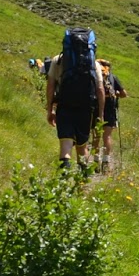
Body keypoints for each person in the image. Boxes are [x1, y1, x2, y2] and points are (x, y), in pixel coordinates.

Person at [45, 29, 103, 174]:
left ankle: (63, 180)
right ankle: (81, 185)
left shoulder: (58, 60)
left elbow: (50, 86)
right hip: (85, 108)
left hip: (64, 106)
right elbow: (100, 89)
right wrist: (100, 114)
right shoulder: (93, 64)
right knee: (82, 146)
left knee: (66, 144)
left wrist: (50, 109)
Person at [93, 58, 127, 173]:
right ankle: (106, 162)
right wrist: (116, 94)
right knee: (107, 136)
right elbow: (124, 94)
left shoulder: (95, 76)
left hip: (97, 108)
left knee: (96, 136)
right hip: (110, 109)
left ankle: (95, 162)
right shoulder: (112, 77)